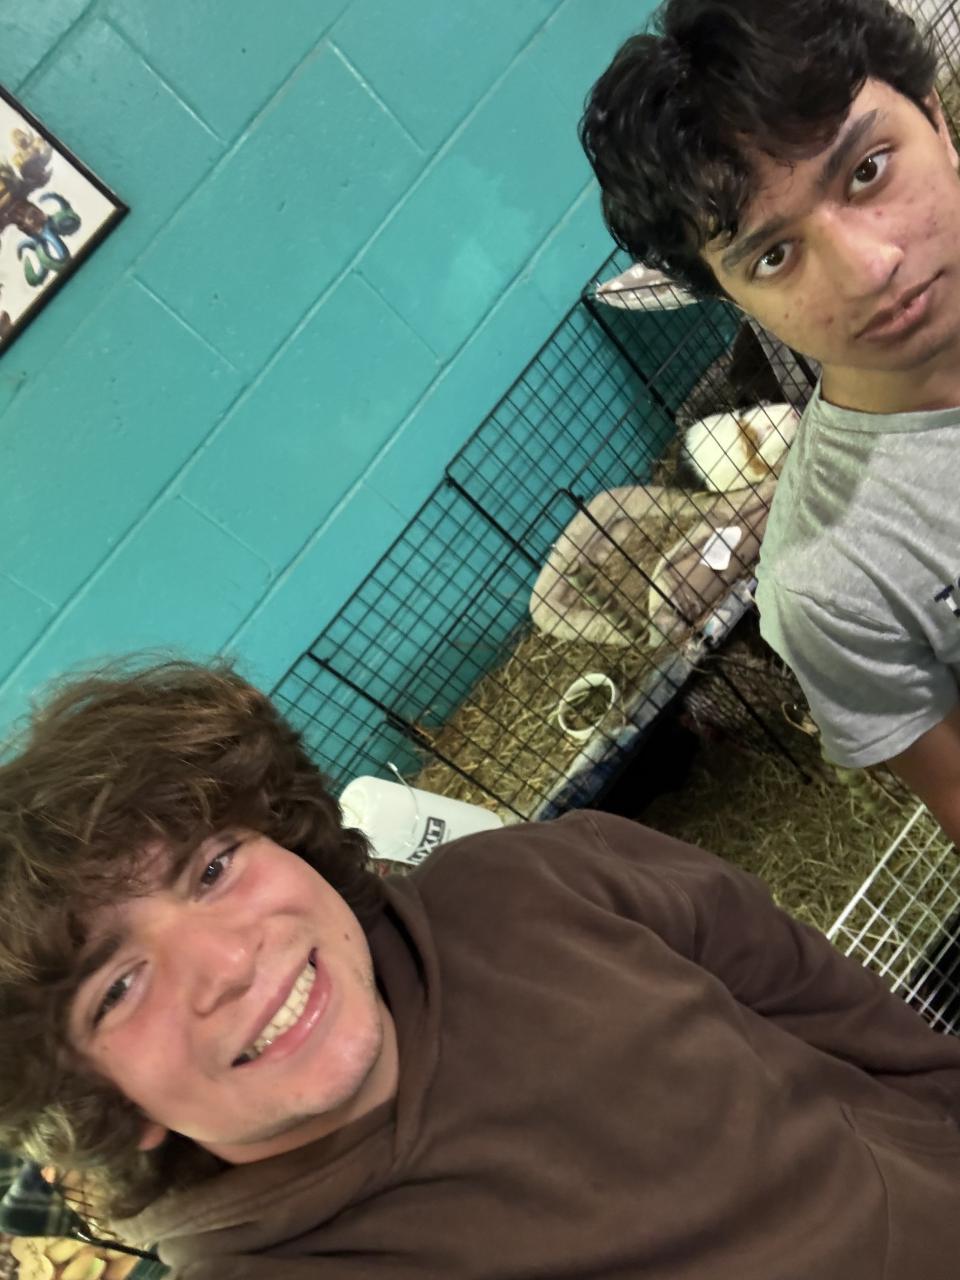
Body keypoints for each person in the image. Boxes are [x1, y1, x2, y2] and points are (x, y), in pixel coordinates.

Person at [2, 660, 960, 1277]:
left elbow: (840, 1014)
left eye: (213, 868)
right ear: (101, 1098)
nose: (225, 962)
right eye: (117, 988)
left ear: (284, 836)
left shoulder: (546, 880)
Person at [579, 0, 960, 842]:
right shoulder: (829, 580)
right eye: (774, 255)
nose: (869, 269)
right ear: (730, 298)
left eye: (867, 171)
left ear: (935, 117)